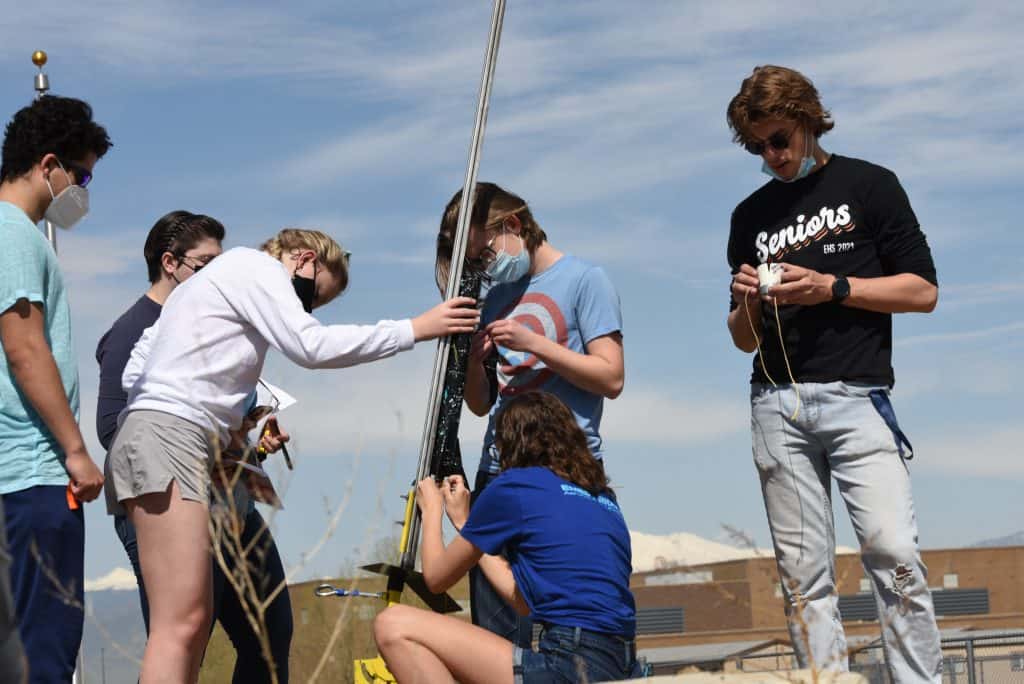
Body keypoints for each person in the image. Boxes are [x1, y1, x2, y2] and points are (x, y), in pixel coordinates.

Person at [104, 227, 479, 683]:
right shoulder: (256, 268)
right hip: (171, 439)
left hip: (172, 437)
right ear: (304, 261)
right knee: (181, 625)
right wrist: (415, 329)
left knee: (192, 622)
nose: (306, 309)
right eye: (314, 297)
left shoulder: (204, 286)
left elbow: (136, 369)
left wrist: (214, 409)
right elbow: (310, 346)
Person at [725, 65, 941, 681]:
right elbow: (741, 340)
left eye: (781, 139)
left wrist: (832, 287)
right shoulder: (749, 216)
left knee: (895, 555)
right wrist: (748, 303)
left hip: (858, 398)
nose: (772, 155)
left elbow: (923, 291)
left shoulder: (871, 185)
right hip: (775, 406)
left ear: (808, 119)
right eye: (758, 146)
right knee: (802, 579)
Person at [97, 211, 294, 683]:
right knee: (186, 636)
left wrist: (249, 434)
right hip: (172, 497)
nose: (219, 274)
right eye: (206, 264)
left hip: (231, 501)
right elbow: (113, 427)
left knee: (271, 633)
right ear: (171, 263)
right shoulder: (133, 331)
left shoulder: (206, 319)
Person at [435, 182, 624, 647]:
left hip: (566, 474)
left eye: (485, 253)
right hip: (500, 471)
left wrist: (535, 343)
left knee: (560, 623)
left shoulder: (585, 280)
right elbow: (483, 403)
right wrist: (479, 362)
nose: (485, 266)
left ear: (513, 226)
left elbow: (611, 377)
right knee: (498, 634)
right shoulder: (494, 295)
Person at [374, 391, 642, 683]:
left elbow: (437, 578)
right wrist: (466, 524)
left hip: (569, 663)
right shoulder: (604, 498)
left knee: (393, 625)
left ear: (510, 444)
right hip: (621, 663)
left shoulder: (515, 486)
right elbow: (525, 603)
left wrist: (433, 512)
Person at [0, 95, 111, 682]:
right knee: (45, 649)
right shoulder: (14, 235)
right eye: (83, 174)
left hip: (17, 478)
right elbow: (25, 347)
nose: (83, 190)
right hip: (35, 472)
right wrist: (73, 449)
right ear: (50, 166)